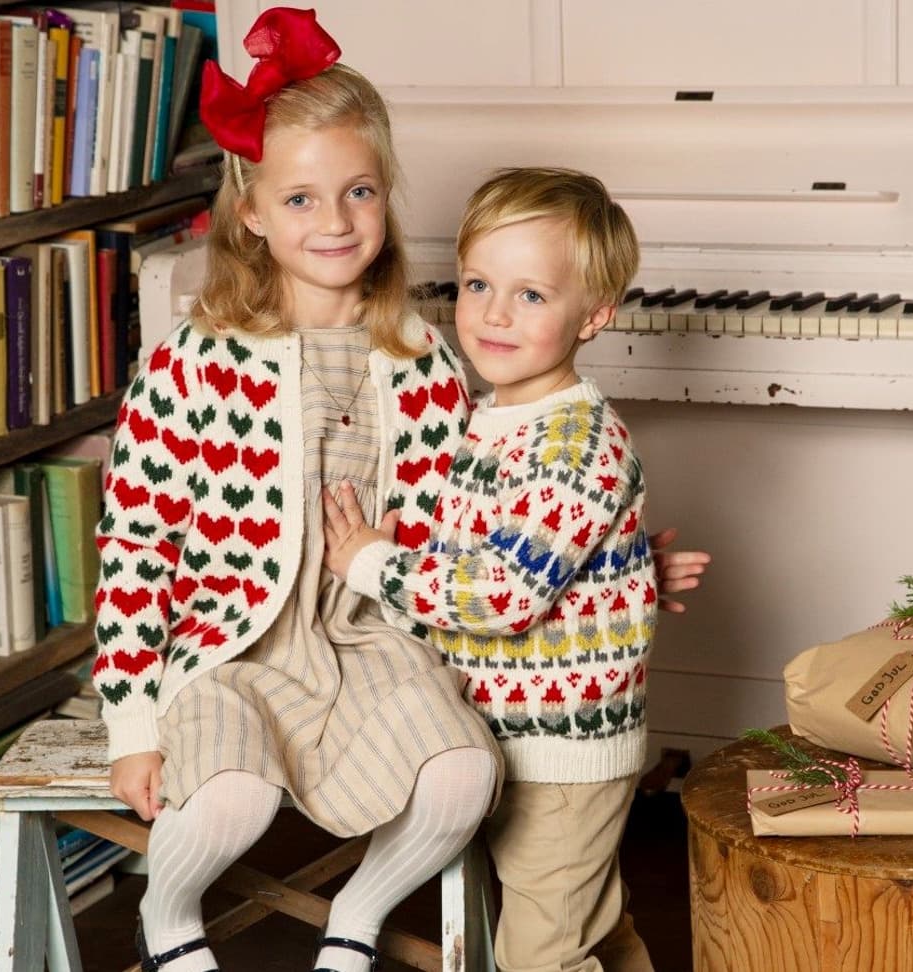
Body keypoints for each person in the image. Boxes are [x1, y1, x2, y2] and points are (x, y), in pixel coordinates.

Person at [92, 10, 507, 972]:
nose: (335, 222)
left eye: (359, 192)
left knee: (464, 774)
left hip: (370, 637)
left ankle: (353, 921)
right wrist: (132, 726)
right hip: (230, 646)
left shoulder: (422, 359)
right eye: (301, 199)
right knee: (229, 802)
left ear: (385, 196)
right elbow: (137, 548)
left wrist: (611, 555)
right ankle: (167, 918)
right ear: (251, 213)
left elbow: (476, 515)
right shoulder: (193, 363)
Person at [323, 166, 710, 972]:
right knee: (590, 927)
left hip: (562, 750)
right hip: (506, 733)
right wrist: (624, 568)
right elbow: (522, 545)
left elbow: (502, 593)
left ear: (594, 315)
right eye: (478, 284)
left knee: (539, 953)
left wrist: (372, 564)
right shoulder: (493, 416)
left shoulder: (575, 442)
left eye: (531, 295)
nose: (495, 313)